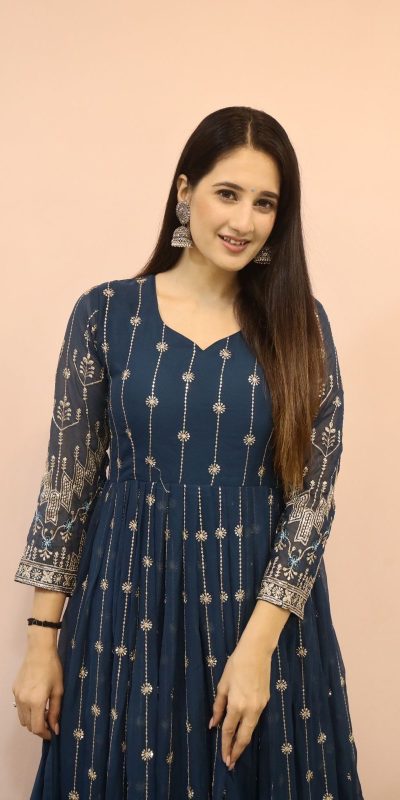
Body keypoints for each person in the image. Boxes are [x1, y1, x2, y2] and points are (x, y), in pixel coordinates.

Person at [12, 105, 364, 799]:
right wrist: (40, 643)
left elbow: (312, 501)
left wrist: (257, 649)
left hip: (259, 616)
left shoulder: (302, 325)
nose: (243, 221)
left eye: (265, 203)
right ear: (184, 191)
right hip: (123, 615)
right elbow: (66, 489)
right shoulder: (106, 314)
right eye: (227, 193)